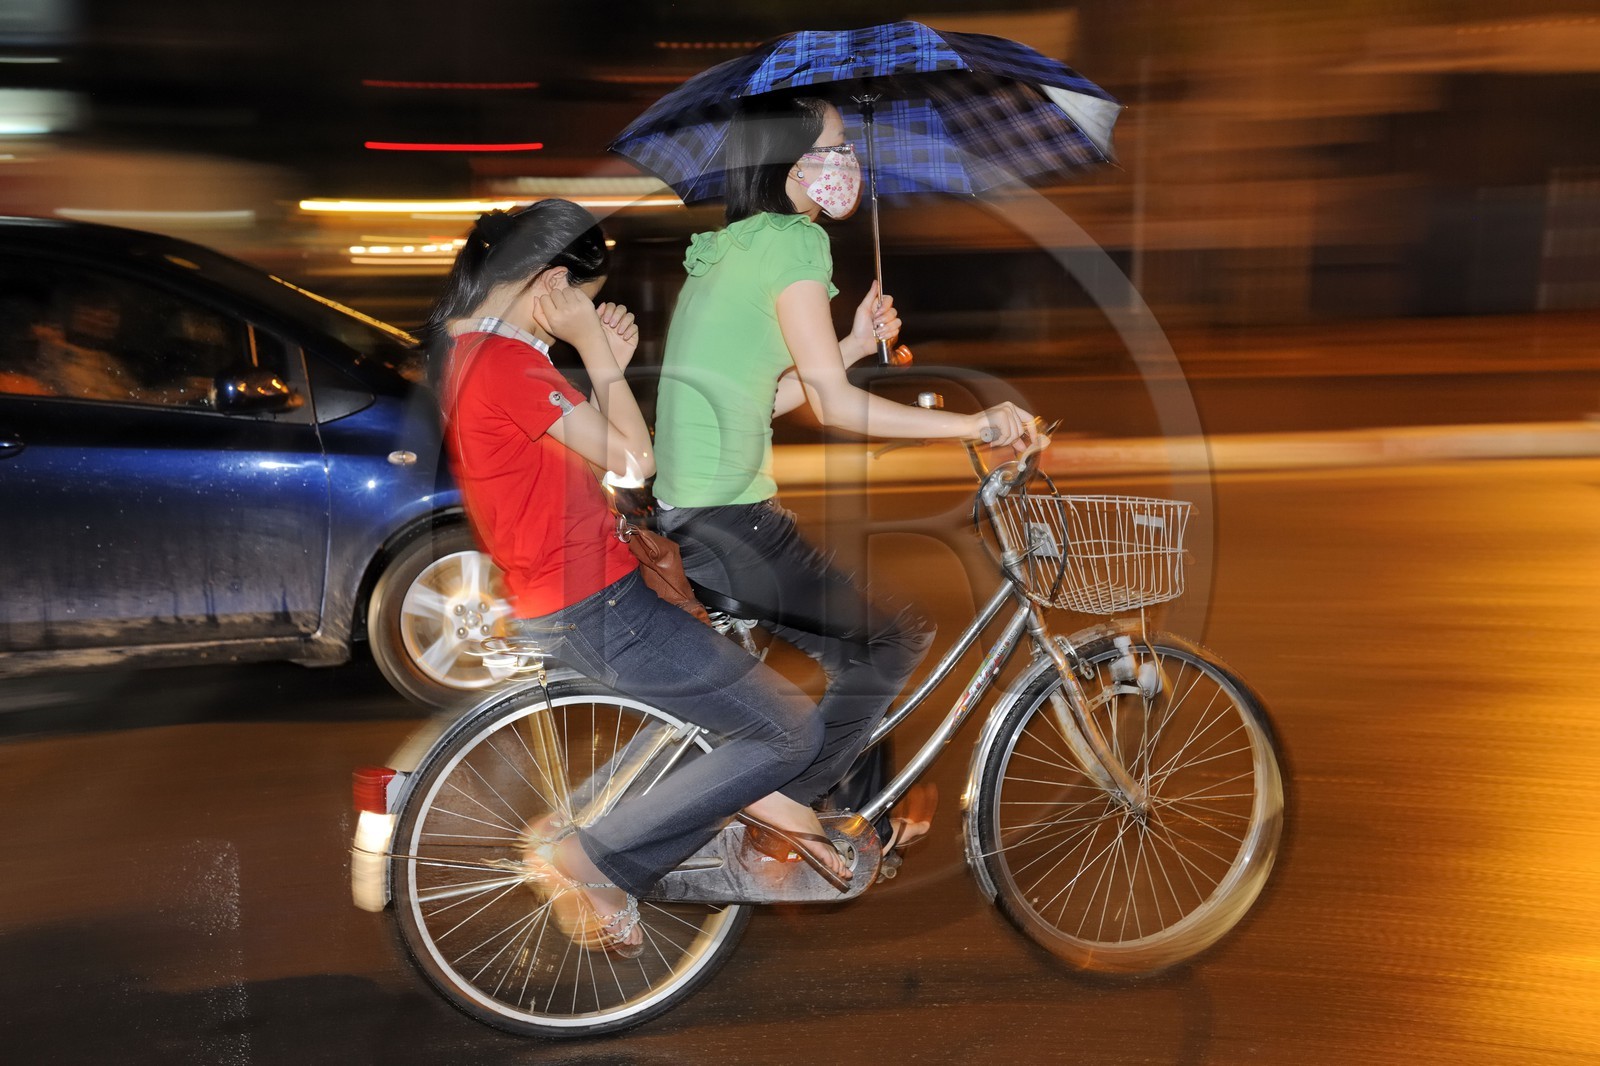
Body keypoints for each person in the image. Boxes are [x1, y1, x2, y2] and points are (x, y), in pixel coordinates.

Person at [428, 199, 851, 956]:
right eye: (582, 299)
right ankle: (593, 858)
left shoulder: (474, 355)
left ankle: (716, 812)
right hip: (595, 604)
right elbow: (634, 461)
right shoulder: (506, 363)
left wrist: (606, 372)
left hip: (574, 595)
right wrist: (595, 351)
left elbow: (599, 462)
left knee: (724, 709)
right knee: (790, 730)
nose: (585, 314)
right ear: (551, 282)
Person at [653, 95, 1036, 857]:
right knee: (895, 637)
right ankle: (791, 810)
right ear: (790, 162)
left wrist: (855, 344)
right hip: (730, 519)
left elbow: (766, 397)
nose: (849, 163)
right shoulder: (796, 245)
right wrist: (975, 425)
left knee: (855, 652)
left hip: (692, 513)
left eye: (848, 148)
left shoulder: (739, 244)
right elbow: (832, 405)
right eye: (833, 147)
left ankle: (847, 814)